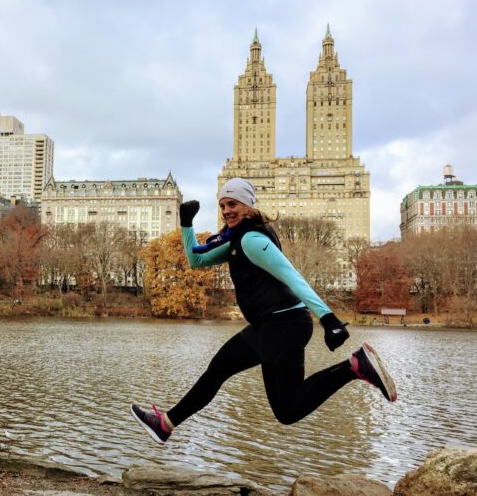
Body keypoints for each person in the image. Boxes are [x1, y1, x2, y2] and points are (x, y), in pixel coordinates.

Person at [130, 177, 397, 445]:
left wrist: (329, 319)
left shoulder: (252, 240)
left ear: (247, 205)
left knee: (223, 372)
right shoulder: (236, 240)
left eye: (232, 204)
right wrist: (187, 224)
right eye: (222, 205)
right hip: (273, 327)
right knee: (284, 409)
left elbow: (292, 276)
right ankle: (355, 366)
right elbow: (196, 260)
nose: (226, 211)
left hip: (282, 325)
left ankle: (165, 424)